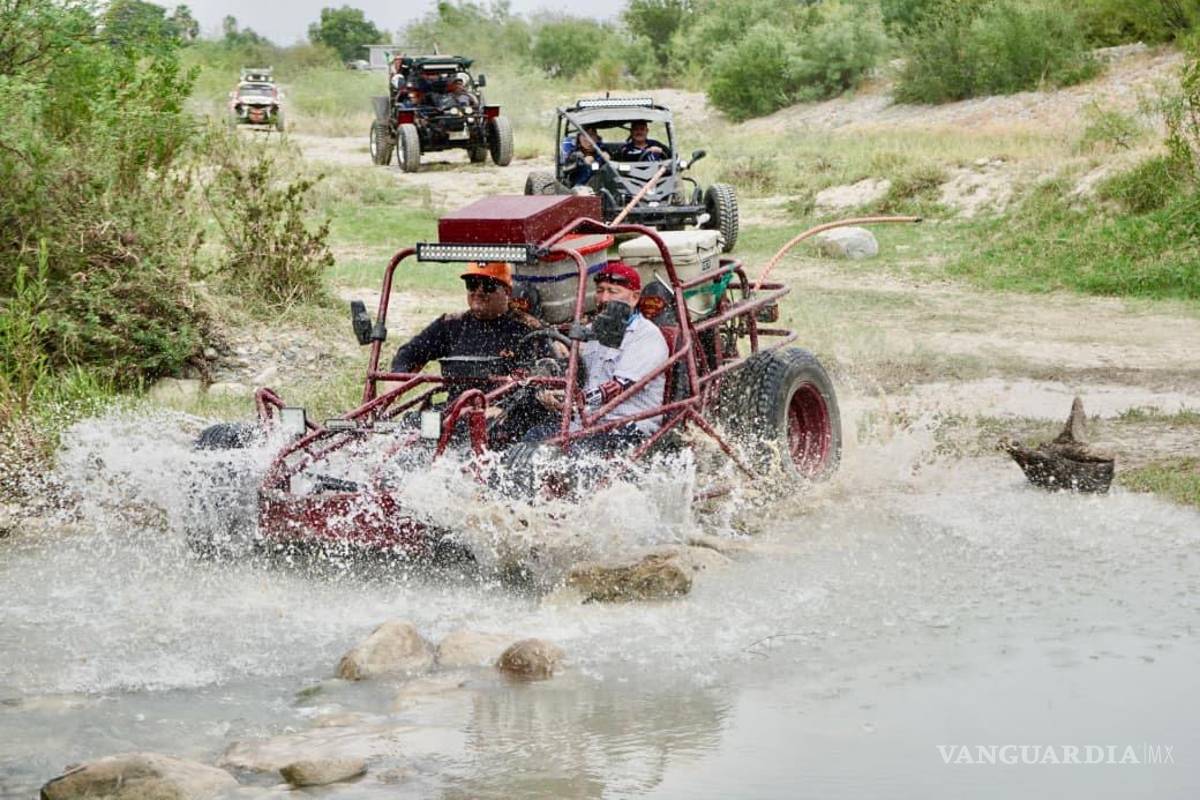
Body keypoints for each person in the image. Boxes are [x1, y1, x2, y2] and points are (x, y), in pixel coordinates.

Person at [532, 261, 669, 452]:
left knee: (573, 456)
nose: (604, 298)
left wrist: (571, 401)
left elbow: (616, 389)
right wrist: (549, 383)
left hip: (627, 424)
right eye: (600, 291)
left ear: (634, 297)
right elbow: (574, 375)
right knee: (531, 438)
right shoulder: (590, 331)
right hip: (586, 423)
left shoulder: (647, 336)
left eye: (613, 292)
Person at [389, 261, 543, 375]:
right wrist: (397, 379)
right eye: (472, 284)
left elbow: (543, 380)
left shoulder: (528, 330)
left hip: (505, 407)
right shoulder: (451, 325)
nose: (479, 292)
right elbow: (409, 353)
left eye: (488, 286)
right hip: (457, 405)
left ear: (507, 292)